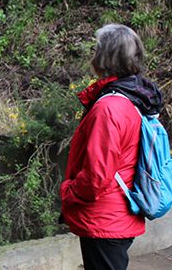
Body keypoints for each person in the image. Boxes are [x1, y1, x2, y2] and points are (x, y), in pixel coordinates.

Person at [60, 24, 163, 270]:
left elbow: (96, 176)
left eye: (96, 49)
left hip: (105, 218)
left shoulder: (109, 107)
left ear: (104, 57)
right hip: (118, 213)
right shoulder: (133, 98)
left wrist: (69, 192)